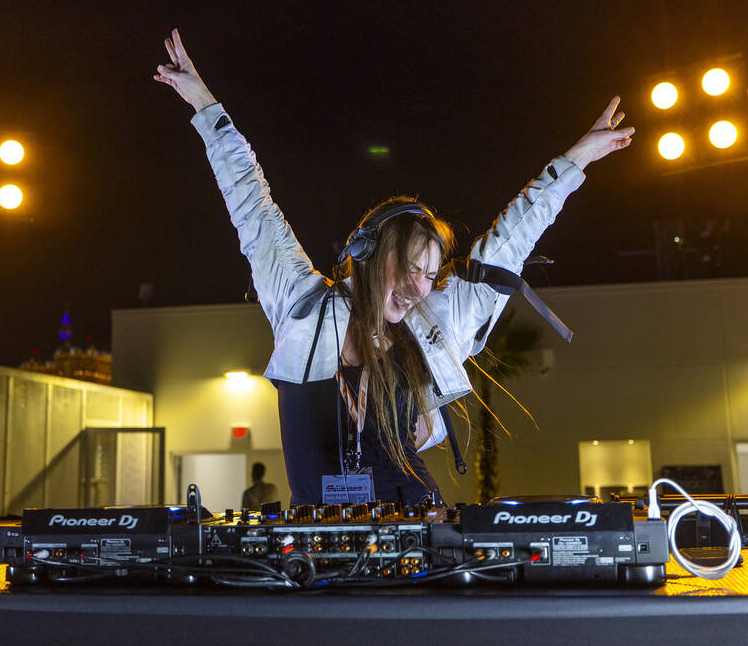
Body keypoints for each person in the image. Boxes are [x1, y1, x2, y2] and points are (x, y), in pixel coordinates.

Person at [154, 29, 633, 506]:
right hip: (319, 542)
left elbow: (508, 244)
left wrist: (577, 161)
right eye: (408, 268)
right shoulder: (302, 307)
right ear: (365, 255)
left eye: (429, 274)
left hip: (416, 523)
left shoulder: (434, 324)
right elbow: (251, 204)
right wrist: (204, 105)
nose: (419, 287)